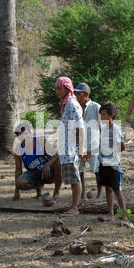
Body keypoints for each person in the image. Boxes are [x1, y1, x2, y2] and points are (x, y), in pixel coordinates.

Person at [55, 76, 86, 215]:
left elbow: (81, 127)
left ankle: (75, 208)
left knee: (75, 178)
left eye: (59, 88)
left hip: (72, 148)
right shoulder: (65, 104)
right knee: (72, 178)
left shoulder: (72, 104)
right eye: (56, 88)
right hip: (67, 148)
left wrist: (82, 147)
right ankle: (74, 205)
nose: (57, 91)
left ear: (67, 89)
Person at [13, 123, 62, 204]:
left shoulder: (41, 141)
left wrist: (47, 165)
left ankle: (56, 192)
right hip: (33, 173)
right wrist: (16, 191)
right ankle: (38, 187)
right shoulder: (18, 149)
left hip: (48, 171)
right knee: (19, 183)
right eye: (20, 135)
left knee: (59, 163)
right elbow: (18, 170)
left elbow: (56, 155)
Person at [74, 82, 103, 201]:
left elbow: (102, 127)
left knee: (96, 170)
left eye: (78, 94)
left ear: (85, 95)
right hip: (79, 144)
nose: (76, 96)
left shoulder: (96, 107)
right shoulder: (75, 107)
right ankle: (82, 193)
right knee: (80, 170)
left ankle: (100, 194)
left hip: (93, 144)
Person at [97, 102, 126, 221]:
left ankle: (124, 215)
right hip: (103, 163)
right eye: (101, 115)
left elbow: (122, 146)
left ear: (111, 115)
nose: (101, 117)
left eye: (104, 115)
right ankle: (110, 214)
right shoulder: (102, 129)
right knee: (108, 189)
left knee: (117, 190)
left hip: (113, 165)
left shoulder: (115, 129)